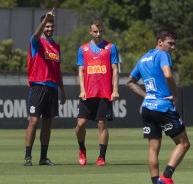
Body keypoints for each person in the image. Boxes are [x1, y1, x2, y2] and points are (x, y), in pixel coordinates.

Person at [127, 28, 190, 184]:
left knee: (153, 148)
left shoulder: (142, 59)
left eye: (174, 44)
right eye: (170, 43)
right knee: (184, 144)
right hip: (162, 107)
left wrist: (147, 96)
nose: (172, 47)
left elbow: (129, 82)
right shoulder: (163, 55)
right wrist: (175, 94)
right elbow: (168, 74)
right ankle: (166, 177)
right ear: (160, 42)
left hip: (148, 107)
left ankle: (155, 181)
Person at [24, 8, 66, 166]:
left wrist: (62, 91)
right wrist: (45, 19)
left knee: (47, 123)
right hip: (38, 87)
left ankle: (43, 157)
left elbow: (58, 70)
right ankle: (28, 156)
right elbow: (36, 34)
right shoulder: (36, 41)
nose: (49, 29)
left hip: (52, 88)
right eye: (46, 26)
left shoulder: (56, 46)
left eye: (51, 26)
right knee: (34, 121)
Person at [75, 19, 119, 166]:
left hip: (105, 92)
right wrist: (82, 89)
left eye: (100, 31)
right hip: (87, 93)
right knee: (80, 124)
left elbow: (115, 70)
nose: (98, 34)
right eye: (95, 31)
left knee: (102, 124)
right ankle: (82, 149)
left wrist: (115, 90)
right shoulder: (83, 49)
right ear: (90, 32)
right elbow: (81, 71)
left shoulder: (111, 48)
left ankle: (101, 157)